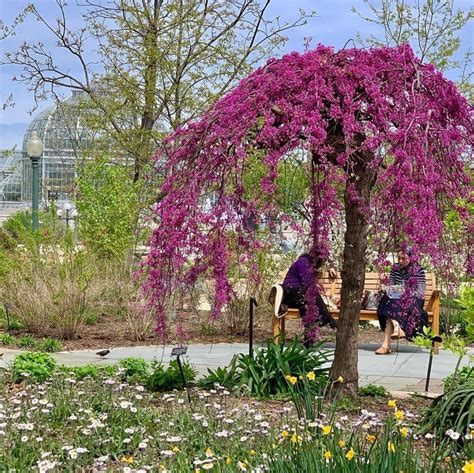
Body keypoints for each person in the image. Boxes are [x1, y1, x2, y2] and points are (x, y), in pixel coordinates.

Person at [375, 247, 428, 355]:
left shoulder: (418, 270)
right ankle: (396, 327)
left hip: (413, 300)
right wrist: (391, 289)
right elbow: (391, 285)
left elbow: (420, 292)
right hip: (396, 298)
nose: (400, 261)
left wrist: (406, 293)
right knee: (389, 300)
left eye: (404, 258)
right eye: (399, 258)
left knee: (391, 306)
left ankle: (386, 345)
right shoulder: (395, 269)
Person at [282, 253, 337, 346]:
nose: (318, 266)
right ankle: (328, 319)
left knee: (307, 308)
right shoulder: (304, 262)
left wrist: (331, 267)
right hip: (290, 292)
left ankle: (309, 342)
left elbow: (327, 257)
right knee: (313, 294)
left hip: (298, 296)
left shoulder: (308, 263)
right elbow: (307, 283)